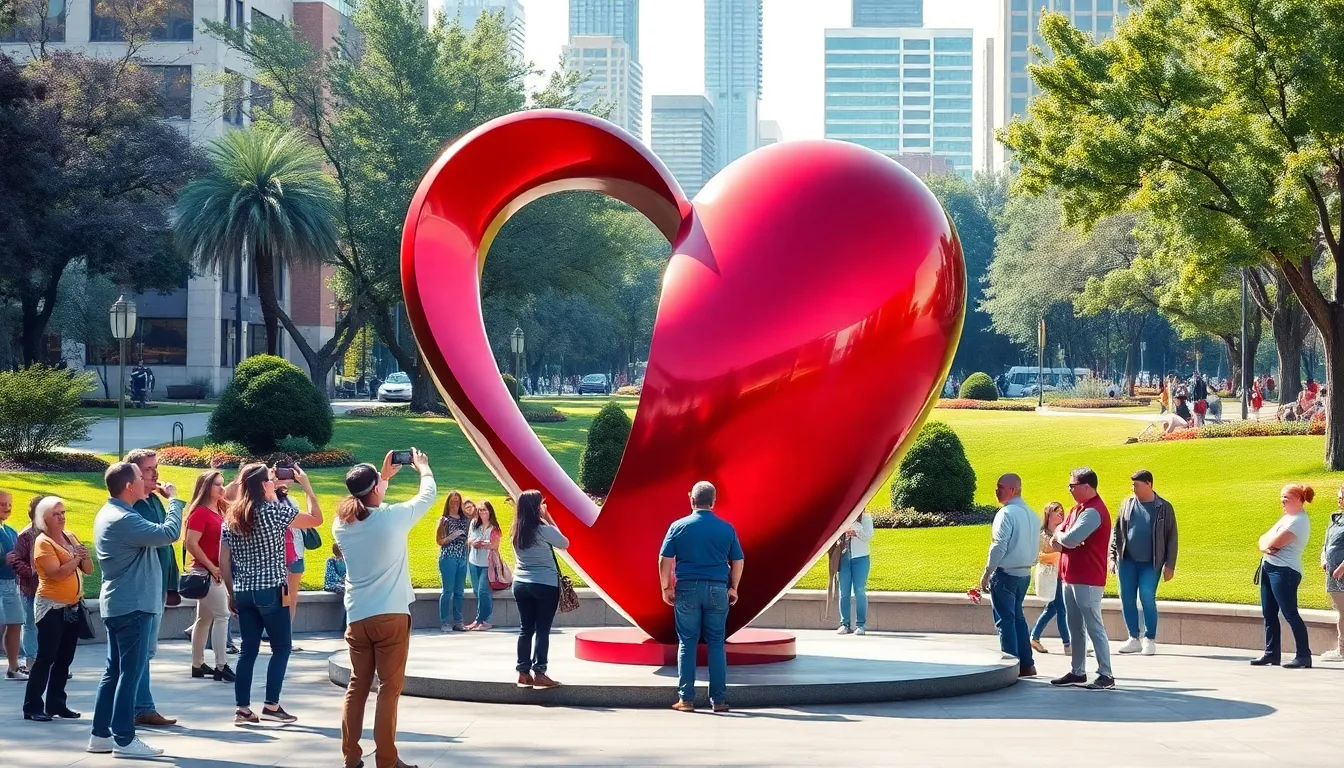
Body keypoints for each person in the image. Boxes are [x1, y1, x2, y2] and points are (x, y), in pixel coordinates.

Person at [332, 449, 437, 768]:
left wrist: (383, 477)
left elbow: (363, 500)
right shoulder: (392, 518)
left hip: (358, 618)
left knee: (357, 686)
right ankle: (387, 760)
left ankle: (351, 756)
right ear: (375, 489)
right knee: (389, 690)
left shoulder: (342, 523)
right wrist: (423, 469)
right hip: (391, 615)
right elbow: (428, 496)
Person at [88, 461, 184, 758]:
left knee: (114, 672)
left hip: (119, 604)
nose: (148, 481)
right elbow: (169, 534)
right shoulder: (123, 519)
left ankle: (101, 735)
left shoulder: (113, 513)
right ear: (129, 486)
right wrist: (175, 501)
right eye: (142, 477)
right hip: (133, 606)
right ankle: (125, 739)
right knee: (129, 673)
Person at [220, 462, 323, 725]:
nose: (273, 483)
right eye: (269, 480)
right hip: (271, 589)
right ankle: (271, 704)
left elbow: (223, 561)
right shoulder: (274, 513)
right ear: (262, 485)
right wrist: (308, 487)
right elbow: (316, 520)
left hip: (243, 591)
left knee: (247, 651)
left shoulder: (231, 517)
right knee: (281, 648)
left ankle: (242, 709)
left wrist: (232, 593)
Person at [660, 481, 745, 712]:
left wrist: (666, 587)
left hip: (687, 588)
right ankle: (718, 700)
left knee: (687, 642)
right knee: (716, 643)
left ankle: (686, 699)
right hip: (718, 589)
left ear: (692, 500)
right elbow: (738, 560)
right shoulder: (726, 528)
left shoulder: (678, 526)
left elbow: (664, 560)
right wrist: (733, 587)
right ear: (713, 501)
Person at [122, 448, 179, 728]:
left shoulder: (154, 500)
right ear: (133, 474)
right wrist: (175, 503)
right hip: (141, 586)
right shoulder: (135, 507)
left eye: (156, 467)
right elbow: (166, 535)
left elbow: (168, 548)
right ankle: (139, 708)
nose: (156, 473)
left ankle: (141, 706)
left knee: (147, 651)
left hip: (157, 584)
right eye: (148, 469)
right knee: (141, 651)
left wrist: (171, 583)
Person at [24, 496, 93, 722]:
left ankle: (56, 703)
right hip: (51, 607)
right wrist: (76, 557)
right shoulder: (42, 543)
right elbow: (58, 573)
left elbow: (89, 569)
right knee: (46, 657)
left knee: (65, 658)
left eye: (63, 512)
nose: (62, 517)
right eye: (56, 514)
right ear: (44, 519)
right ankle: (32, 706)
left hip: (72, 607)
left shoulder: (70, 536)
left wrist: (84, 556)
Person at [1049, 467, 1114, 690]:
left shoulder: (1093, 511)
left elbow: (1070, 538)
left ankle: (1106, 674)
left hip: (1088, 577)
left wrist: (1063, 538)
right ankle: (1078, 671)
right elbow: (1061, 533)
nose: (1069, 489)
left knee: (1094, 625)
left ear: (1086, 486)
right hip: (1071, 575)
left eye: (1073, 486)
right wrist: (1062, 537)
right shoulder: (1078, 509)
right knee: (1074, 624)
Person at [1109, 470, 1178, 657]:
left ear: (1149, 484)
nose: (1133, 489)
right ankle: (1133, 638)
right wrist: (1112, 557)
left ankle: (1149, 639)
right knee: (1126, 597)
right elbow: (1117, 531)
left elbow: (1172, 537)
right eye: (1132, 485)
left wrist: (1170, 565)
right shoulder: (1127, 504)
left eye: (1136, 485)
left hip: (1151, 563)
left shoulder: (1163, 507)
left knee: (1147, 596)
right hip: (1127, 561)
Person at [980, 474, 1040, 678]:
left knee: (1005, 621)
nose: (996, 491)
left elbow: (999, 545)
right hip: (1024, 574)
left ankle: (1010, 667)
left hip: (1005, 573)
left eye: (1000, 487)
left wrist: (987, 572)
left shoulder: (1006, 514)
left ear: (1013, 489)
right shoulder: (1032, 514)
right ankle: (1026, 664)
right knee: (1018, 619)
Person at [511, 490, 569, 690]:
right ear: (536, 507)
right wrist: (547, 518)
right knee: (542, 629)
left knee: (525, 629)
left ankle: (523, 672)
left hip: (520, 584)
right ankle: (540, 673)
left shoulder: (516, 531)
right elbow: (564, 543)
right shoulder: (542, 529)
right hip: (544, 584)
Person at [1253, 484, 1314, 668]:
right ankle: (1271, 653)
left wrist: (1267, 544)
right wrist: (1266, 544)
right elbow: (1263, 539)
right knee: (1269, 613)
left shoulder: (1299, 522)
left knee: (1290, 613)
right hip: (1268, 567)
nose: (1282, 501)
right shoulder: (1288, 518)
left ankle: (1304, 655)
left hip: (1285, 571)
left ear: (1298, 499)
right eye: (1281, 497)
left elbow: (1273, 542)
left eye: (1286, 497)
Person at [183, 470, 234, 682]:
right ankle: (221, 665)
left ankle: (197, 664)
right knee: (222, 615)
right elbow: (190, 543)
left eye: (223, 484)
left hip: (214, 571)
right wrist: (212, 567)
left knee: (204, 618)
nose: (222, 488)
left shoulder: (220, 508)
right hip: (207, 572)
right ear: (206, 488)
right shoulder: (201, 513)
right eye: (217, 485)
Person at [6, 495, 45, 676]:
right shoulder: (25, 535)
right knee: (30, 625)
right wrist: (33, 573)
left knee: (50, 627)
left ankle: (49, 662)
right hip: (29, 589)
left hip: (51, 590)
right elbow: (17, 562)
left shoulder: (56, 533)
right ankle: (32, 662)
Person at [1030, 502, 1070, 655]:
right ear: (1049, 514)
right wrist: (1059, 554)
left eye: (1062, 512)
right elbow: (1040, 556)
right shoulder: (1042, 535)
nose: (1060, 515)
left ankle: (1035, 636)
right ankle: (1068, 644)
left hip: (1061, 573)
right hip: (1050, 574)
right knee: (1061, 608)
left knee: (1053, 607)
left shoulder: (1064, 531)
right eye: (1057, 512)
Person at [0, 490, 27, 681]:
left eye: (9, 504)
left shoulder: (10, 531)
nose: (7, 508)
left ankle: (13, 666)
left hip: (12, 584)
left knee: (15, 623)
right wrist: (3, 559)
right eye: (2, 504)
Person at [835, 510, 875, 635]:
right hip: (844, 557)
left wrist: (854, 530)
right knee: (844, 591)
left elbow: (868, 535)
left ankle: (860, 625)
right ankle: (845, 624)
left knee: (859, 590)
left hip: (861, 558)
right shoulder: (843, 516)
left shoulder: (866, 518)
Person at [435, 491, 470, 632]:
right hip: (449, 556)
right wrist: (451, 536)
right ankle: (444, 621)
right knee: (448, 590)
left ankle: (458, 621)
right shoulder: (444, 520)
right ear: (448, 503)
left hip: (462, 556)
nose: (455, 505)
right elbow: (439, 541)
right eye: (452, 502)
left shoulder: (464, 519)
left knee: (459, 591)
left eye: (457, 501)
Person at [466, 500, 502, 631]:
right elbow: (469, 539)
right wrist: (473, 543)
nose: (482, 512)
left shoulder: (494, 528)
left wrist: (483, 544)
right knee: (477, 591)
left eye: (484, 510)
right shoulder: (474, 523)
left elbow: (495, 545)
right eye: (480, 510)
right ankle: (478, 620)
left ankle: (484, 620)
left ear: (490, 511)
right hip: (473, 562)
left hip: (487, 564)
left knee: (483, 591)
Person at [1320, 486, 1344, 662]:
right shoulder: (1335, 519)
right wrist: (1323, 558)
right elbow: (1326, 543)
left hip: (1340, 572)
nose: (1339, 500)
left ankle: (1342, 650)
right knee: (1340, 610)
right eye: (1339, 497)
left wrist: (1342, 567)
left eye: (1342, 497)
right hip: (1332, 574)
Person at [324, 543, 348, 635]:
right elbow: (331, 577)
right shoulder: (331, 561)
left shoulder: (346, 561)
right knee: (347, 590)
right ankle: (345, 623)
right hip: (332, 584)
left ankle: (347, 621)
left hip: (344, 584)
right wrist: (342, 579)